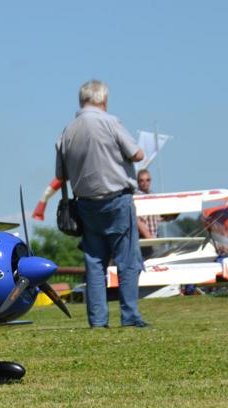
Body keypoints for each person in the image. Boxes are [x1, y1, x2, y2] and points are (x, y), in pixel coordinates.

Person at [55, 79, 148, 328]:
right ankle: (130, 316)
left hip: (86, 205)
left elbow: (61, 174)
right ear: (103, 100)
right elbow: (137, 153)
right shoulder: (110, 122)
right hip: (117, 200)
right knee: (127, 261)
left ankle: (97, 321)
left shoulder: (67, 131)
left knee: (95, 263)